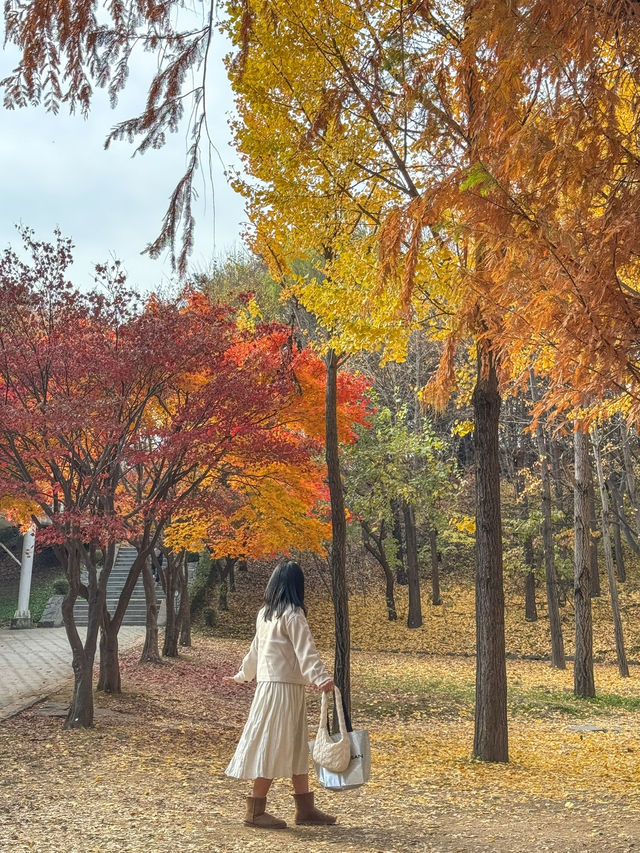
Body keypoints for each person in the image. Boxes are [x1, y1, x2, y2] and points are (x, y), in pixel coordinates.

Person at [224, 559, 337, 830]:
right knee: (273, 745)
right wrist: (321, 677)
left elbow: (254, 653)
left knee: (295, 746)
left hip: (275, 688)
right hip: (283, 690)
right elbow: (305, 651)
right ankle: (255, 810)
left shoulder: (266, 614)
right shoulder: (293, 614)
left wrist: (243, 675)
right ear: (298, 585)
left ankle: (305, 809)